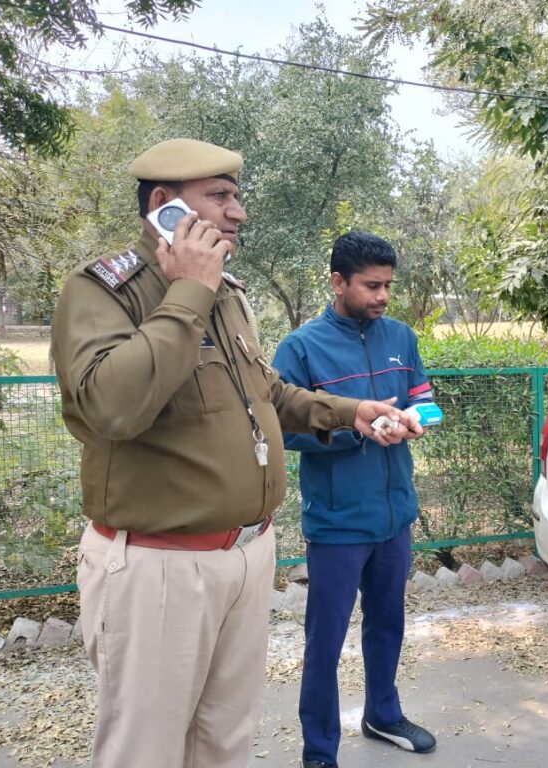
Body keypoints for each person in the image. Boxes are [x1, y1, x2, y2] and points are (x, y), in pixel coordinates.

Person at [50, 139, 419, 768]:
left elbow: (264, 392)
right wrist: (188, 291)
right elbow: (110, 407)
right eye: (219, 196)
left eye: (235, 196)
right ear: (164, 204)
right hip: (161, 565)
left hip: (246, 554)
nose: (238, 212)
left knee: (226, 739)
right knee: (147, 749)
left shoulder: (227, 293)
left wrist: (350, 412)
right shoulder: (105, 290)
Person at [272, 232, 438, 768]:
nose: (383, 295)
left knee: (387, 624)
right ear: (338, 282)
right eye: (371, 285)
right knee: (325, 641)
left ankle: (383, 714)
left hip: (395, 516)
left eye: (388, 284)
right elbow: (281, 429)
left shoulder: (400, 337)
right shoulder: (301, 348)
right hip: (338, 523)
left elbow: (425, 400)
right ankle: (319, 751)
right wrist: (353, 429)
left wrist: (415, 421)